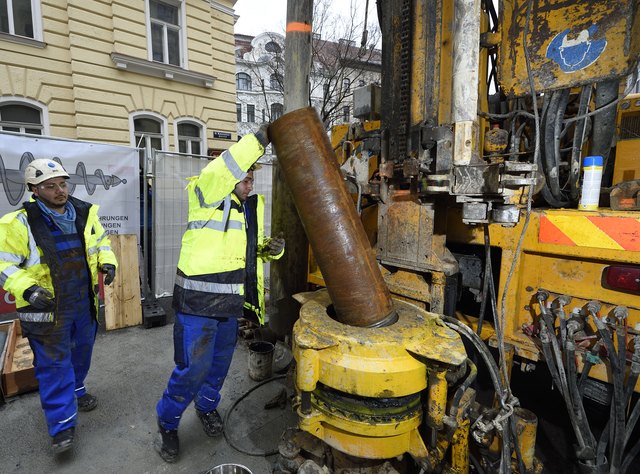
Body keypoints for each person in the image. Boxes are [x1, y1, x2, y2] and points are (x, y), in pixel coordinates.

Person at [154, 125, 283, 463]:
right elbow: (224, 166)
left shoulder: (246, 209)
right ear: (228, 177)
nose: (250, 183)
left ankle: (207, 406)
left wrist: (272, 250)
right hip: (196, 305)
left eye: (253, 178)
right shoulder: (206, 192)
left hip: (228, 305)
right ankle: (167, 421)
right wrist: (261, 137)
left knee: (219, 365)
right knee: (191, 369)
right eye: (245, 177)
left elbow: (244, 254)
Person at [0, 159, 117, 454]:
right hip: (46, 308)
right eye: (50, 186)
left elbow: (101, 242)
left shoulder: (84, 213)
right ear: (34, 190)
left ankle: (77, 389)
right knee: (53, 366)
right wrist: (29, 289)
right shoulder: (19, 224)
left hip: (82, 303)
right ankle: (62, 426)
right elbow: (4, 265)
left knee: (82, 352)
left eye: (62, 184)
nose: (59, 190)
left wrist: (108, 262)